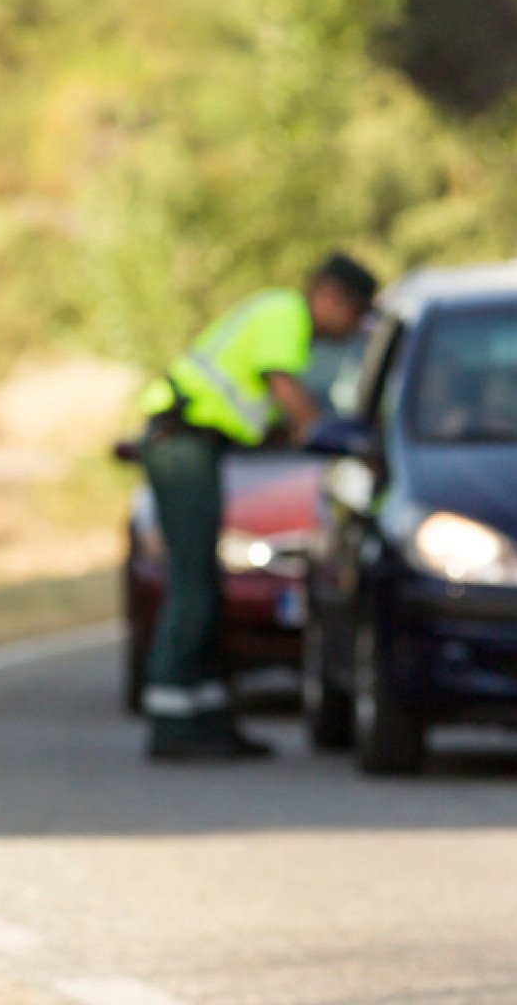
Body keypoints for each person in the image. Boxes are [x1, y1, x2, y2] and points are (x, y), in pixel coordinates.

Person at [134, 253, 378, 761]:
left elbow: (268, 415)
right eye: (354, 315)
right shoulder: (285, 315)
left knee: (206, 588)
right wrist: (331, 432)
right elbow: (285, 391)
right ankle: (171, 723)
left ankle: (209, 718)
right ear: (330, 296)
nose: (352, 329)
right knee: (194, 587)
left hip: (197, 448)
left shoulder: (281, 316)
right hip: (182, 445)